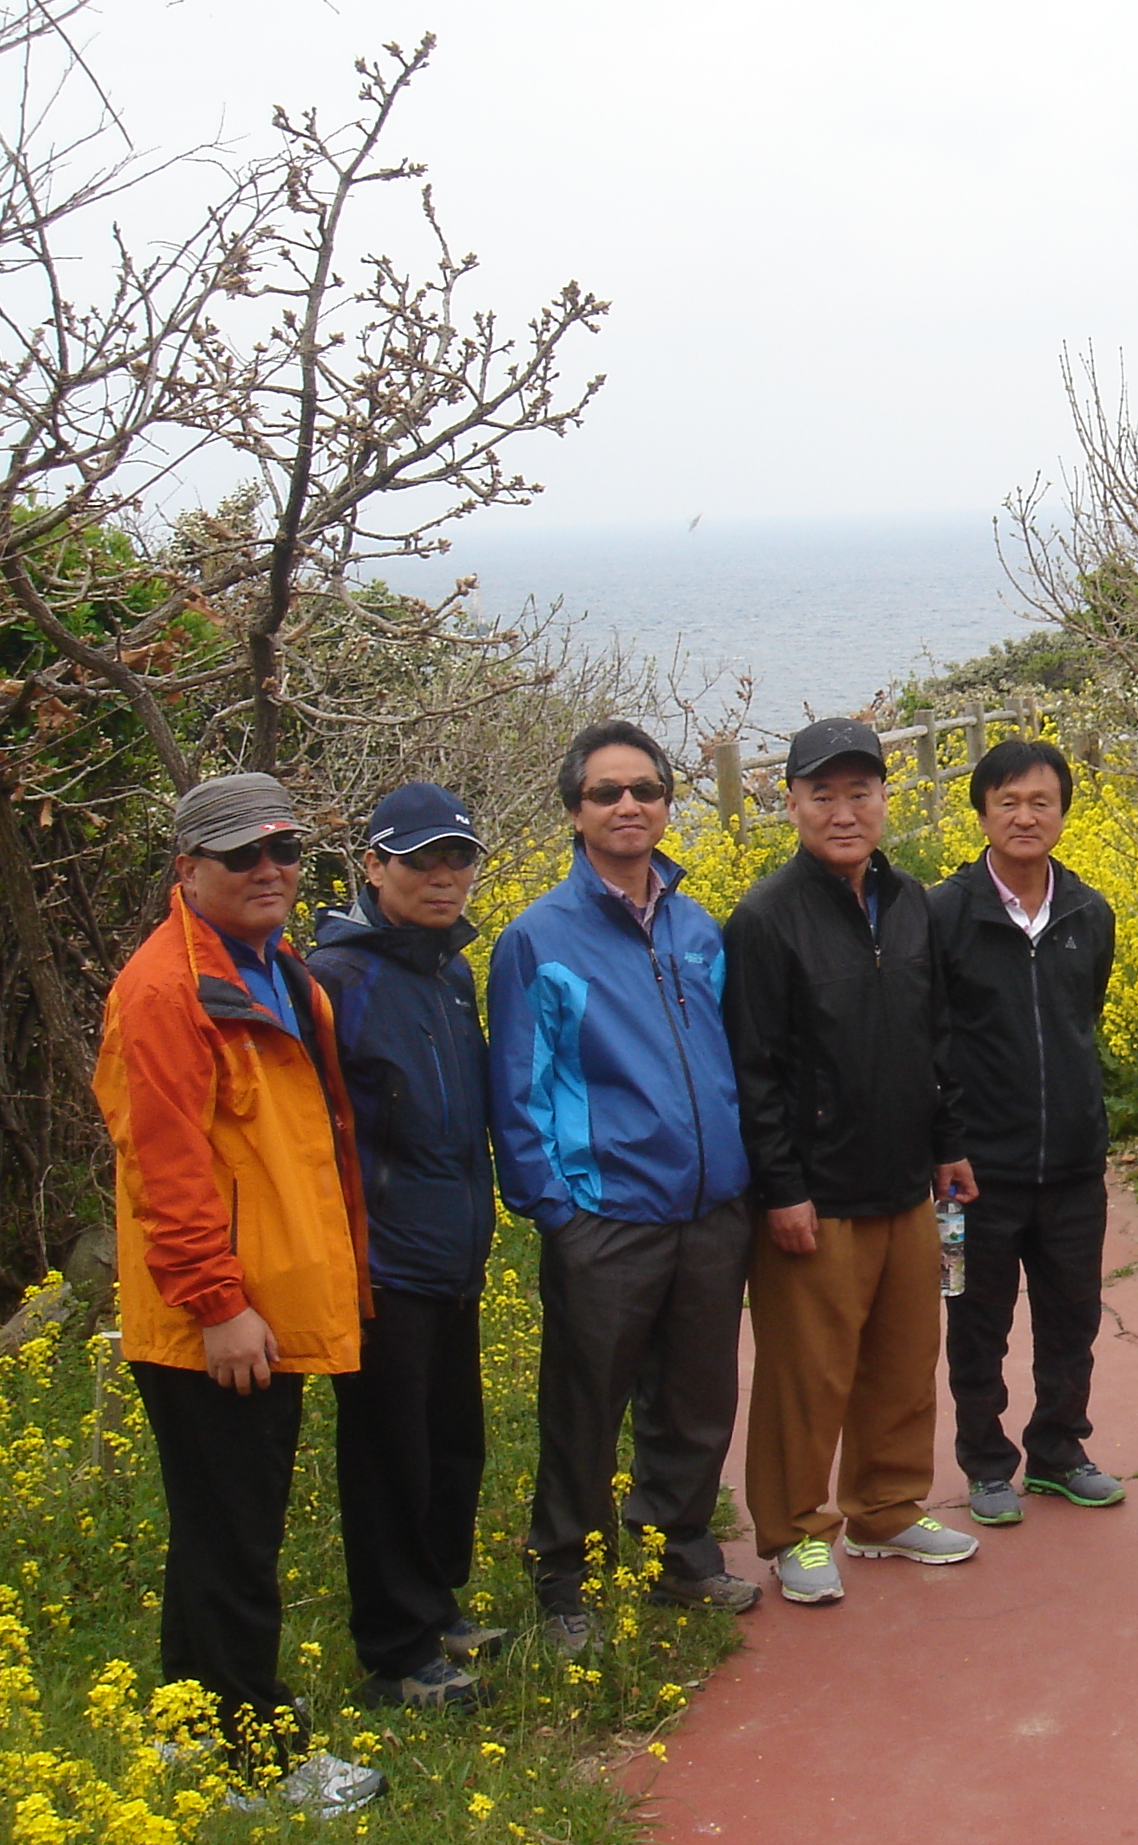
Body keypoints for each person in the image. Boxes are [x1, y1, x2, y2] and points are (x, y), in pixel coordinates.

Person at [94, 771, 387, 1815]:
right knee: (236, 1538)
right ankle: (255, 1755)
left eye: (285, 850)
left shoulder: (273, 969)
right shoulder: (165, 992)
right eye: (241, 856)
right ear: (188, 870)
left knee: (218, 1525)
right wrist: (219, 1306)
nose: (270, 871)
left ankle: (189, 1728)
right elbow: (163, 1171)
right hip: (217, 1322)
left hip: (261, 1305)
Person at [487, 722, 760, 1651]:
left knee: (697, 1399)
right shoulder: (537, 939)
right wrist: (557, 1213)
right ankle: (564, 1577)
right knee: (584, 1407)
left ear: (668, 805)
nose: (628, 806)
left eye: (645, 789)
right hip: (605, 1217)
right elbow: (518, 1091)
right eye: (606, 792)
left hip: (711, 1209)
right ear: (576, 811)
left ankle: (678, 1552)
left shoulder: (696, 926)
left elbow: (728, 1058)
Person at [723, 718, 979, 1605]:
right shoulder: (764, 918)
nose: (844, 812)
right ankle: (795, 1531)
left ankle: (886, 1509)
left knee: (904, 1362)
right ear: (791, 803)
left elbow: (935, 1035)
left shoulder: (910, 902)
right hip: (817, 1196)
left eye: (860, 792)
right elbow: (753, 1069)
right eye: (823, 794)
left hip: (906, 1183)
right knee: (808, 1375)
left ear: (883, 799)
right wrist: (781, 1188)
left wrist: (948, 1145)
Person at [308, 782, 505, 1711]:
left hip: (453, 1249)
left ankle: (438, 1607)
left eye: (458, 858)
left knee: (451, 1444)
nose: (443, 876)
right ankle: (395, 1649)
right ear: (373, 867)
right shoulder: (333, 981)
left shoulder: (449, 971)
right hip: (381, 1262)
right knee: (389, 1458)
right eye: (421, 860)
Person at [930, 738, 1125, 1527]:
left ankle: (1059, 1451)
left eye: (1040, 801)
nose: (1024, 816)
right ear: (981, 814)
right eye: (1007, 802)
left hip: (1073, 1164)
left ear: (1063, 813)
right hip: (971, 1173)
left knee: (1072, 1319)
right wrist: (946, 1143)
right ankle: (985, 1463)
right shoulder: (944, 914)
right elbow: (928, 1039)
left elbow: (1084, 1016)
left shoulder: (1089, 912)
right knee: (974, 1323)